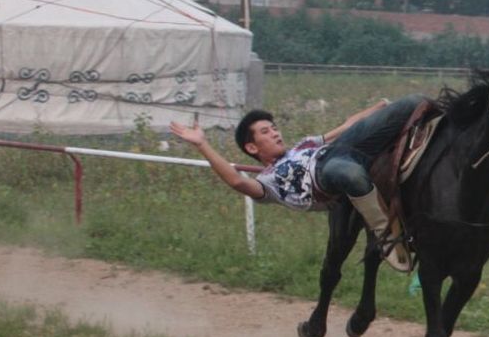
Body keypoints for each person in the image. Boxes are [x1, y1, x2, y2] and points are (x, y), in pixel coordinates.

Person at [169, 95, 427, 272]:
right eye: (265, 132)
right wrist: (202, 144)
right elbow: (236, 180)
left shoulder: (304, 144)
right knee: (350, 174)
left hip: (341, 148)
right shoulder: (267, 183)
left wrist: (379, 108)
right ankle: (386, 233)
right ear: (251, 147)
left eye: (274, 127)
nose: (275, 132)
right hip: (326, 176)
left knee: (413, 103)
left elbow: (348, 126)